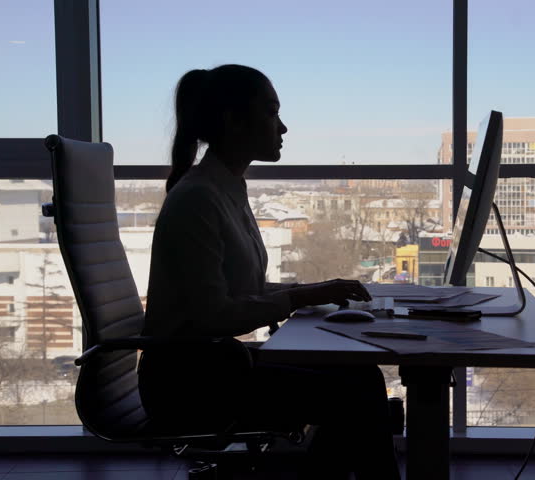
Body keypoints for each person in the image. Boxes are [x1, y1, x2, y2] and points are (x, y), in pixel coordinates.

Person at [137, 64, 400, 480]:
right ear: (233, 120)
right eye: (271, 112)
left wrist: (314, 290)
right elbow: (213, 316)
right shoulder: (198, 199)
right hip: (187, 383)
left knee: (358, 375)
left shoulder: (224, 189)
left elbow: (242, 290)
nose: (283, 127)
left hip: (214, 365)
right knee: (357, 390)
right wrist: (299, 297)